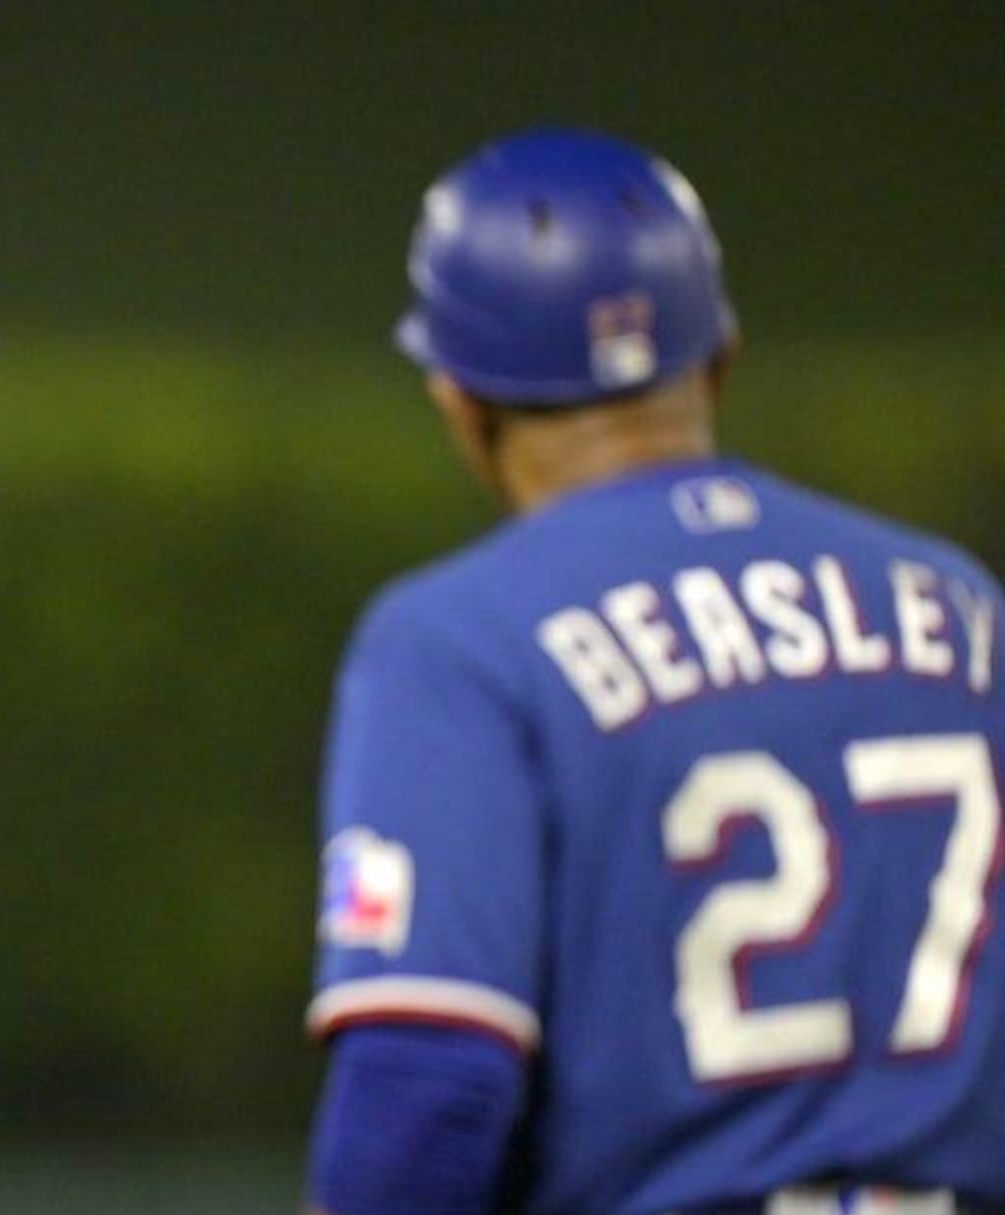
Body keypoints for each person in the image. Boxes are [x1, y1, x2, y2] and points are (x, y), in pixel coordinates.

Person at [304, 128, 1005, 1215]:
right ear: (718, 353)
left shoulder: (459, 640)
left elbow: (428, 1080)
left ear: (456, 397)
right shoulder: (961, 607)